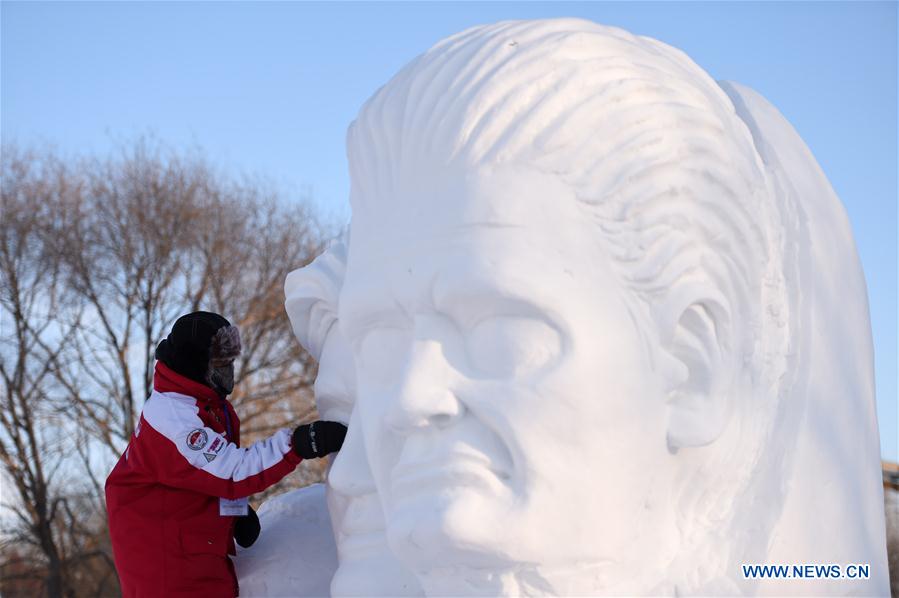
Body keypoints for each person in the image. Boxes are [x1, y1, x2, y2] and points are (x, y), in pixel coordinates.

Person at [105, 311, 347, 597]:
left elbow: (203, 476)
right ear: (195, 365)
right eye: (220, 366)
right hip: (166, 569)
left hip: (194, 553)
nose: (228, 373)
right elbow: (233, 471)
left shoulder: (207, 405)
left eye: (230, 364)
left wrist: (234, 512)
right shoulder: (175, 420)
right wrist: (301, 444)